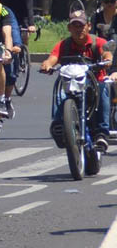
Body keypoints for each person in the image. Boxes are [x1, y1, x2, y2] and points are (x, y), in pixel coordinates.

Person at [40, 10, 113, 153]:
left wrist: (107, 60)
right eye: (75, 26)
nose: (78, 29)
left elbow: (107, 53)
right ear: (69, 28)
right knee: (60, 94)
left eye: (81, 25)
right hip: (71, 85)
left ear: (89, 26)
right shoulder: (63, 45)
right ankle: (58, 125)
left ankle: (101, 133)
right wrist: (47, 65)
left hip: (94, 85)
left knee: (104, 88)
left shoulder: (98, 42)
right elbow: (52, 59)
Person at [0, 0, 36, 116]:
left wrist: (31, 25)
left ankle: (22, 58)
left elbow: (29, 10)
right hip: (7, 20)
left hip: (22, 20)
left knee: (23, 39)